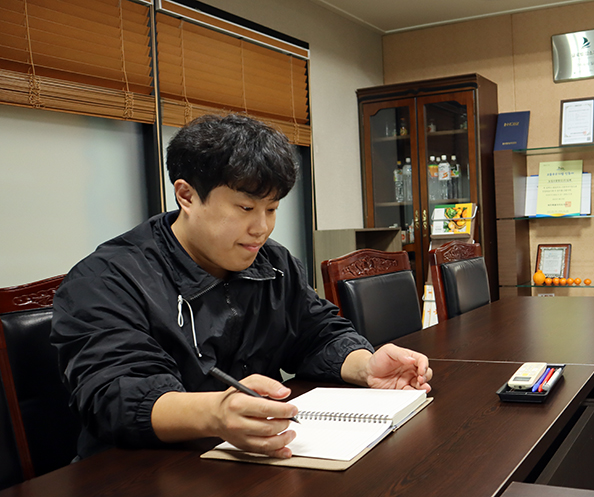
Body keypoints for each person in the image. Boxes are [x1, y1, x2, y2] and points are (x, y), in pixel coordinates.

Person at [51, 113, 432, 461]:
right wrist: (216, 414)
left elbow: (315, 333)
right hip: (139, 470)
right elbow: (115, 394)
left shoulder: (273, 262)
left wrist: (366, 367)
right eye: (246, 209)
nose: (262, 228)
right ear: (186, 195)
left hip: (252, 460)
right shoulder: (107, 279)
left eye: (273, 209)